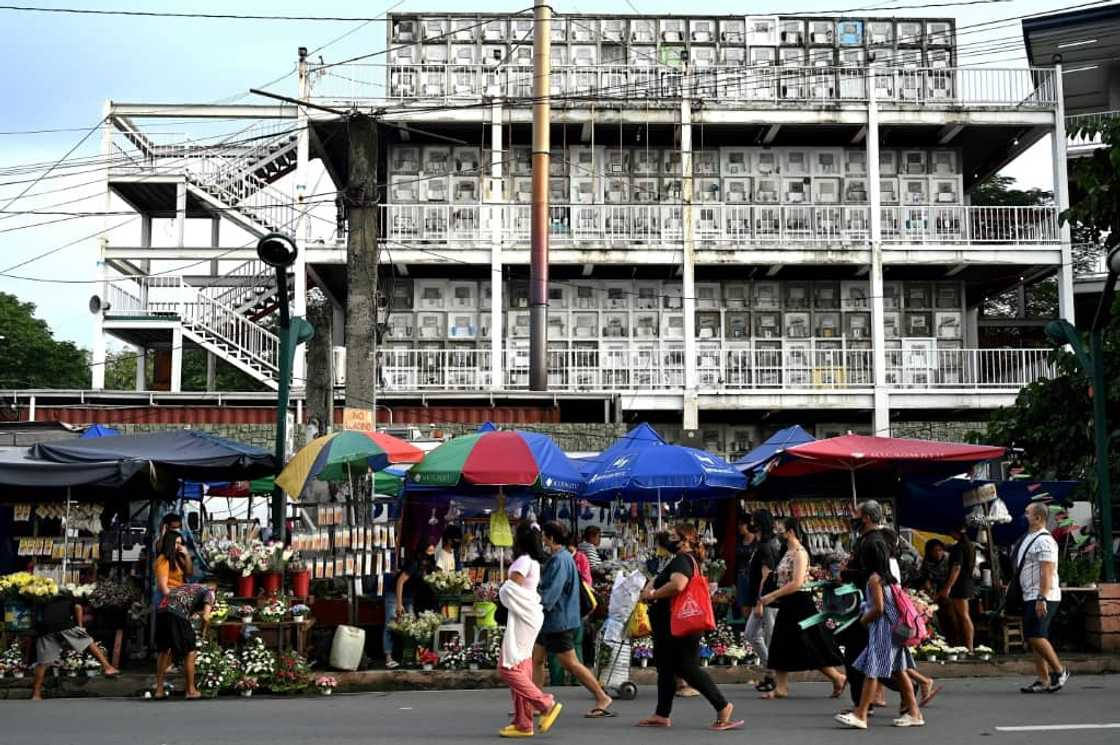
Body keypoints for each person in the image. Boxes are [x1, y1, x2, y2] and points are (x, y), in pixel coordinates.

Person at [636, 521, 741, 731]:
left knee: (687, 668)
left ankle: (723, 706)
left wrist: (653, 594)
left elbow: (678, 585)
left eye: (674, 536)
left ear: (684, 540)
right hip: (670, 625)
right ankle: (661, 714)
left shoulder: (683, 559)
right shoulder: (681, 559)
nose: (670, 539)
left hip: (677, 624)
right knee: (666, 668)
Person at [835, 542, 924, 729]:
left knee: (872, 671)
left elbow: (878, 608)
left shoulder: (874, 579)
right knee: (899, 671)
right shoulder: (888, 578)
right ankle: (914, 712)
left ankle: (861, 714)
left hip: (883, 630)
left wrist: (863, 620)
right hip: (897, 630)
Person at [533, 521, 614, 718]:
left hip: (558, 620)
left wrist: (535, 601)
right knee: (537, 659)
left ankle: (601, 696)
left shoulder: (560, 560)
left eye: (545, 536)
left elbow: (552, 593)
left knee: (571, 663)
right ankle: (535, 701)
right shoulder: (562, 557)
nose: (543, 540)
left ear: (551, 538)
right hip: (552, 620)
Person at [759, 516, 846, 700]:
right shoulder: (787, 551)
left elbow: (797, 583)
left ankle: (837, 677)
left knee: (811, 644)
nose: (778, 534)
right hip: (788, 603)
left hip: (800, 603)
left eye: (781, 531)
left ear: (790, 532)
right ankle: (781, 687)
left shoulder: (799, 552)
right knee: (780, 643)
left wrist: (772, 596)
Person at [498, 523, 563, 738]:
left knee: (508, 667)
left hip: (524, 617)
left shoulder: (523, 561)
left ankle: (544, 703)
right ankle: (523, 721)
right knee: (521, 665)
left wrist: (501, 590)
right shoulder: (532, 561)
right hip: (528, 616)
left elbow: (512, 590)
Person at [838, 500, 891, 709]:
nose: (853, 517)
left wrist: (847, 573)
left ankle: (908, 694)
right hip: (861, 604)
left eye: (856, 514)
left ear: (866, 518)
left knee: (862, 658)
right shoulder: (865, 540)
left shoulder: (874, 542)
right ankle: (862, 703)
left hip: (870, 607)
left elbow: (878, 575)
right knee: (864, 658)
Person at [1015, 502, 1068, 694]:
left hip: (1043, 595)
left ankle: (1059, 671)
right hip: (1030, 594)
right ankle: (1043, 678)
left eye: (1027, 513)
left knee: (1037, 635)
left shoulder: (1044, 541)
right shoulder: (1030, 538)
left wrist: (1041, 598)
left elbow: (1047, 572)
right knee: (1032, 637)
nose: (1024, 515)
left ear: (1038, 518)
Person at [31, 594, 119, 700]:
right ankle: (107, 667)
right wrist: (80, 626)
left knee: (43, 662)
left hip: (45, 629)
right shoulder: (68, 596)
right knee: (88, 641)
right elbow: (78, 607)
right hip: (64, 624)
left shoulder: (41, 597)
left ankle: (36, 694)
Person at [153, 581, 215, 699]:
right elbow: (206, 617)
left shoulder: (188, 587)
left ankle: (159, 690)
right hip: (177, 613)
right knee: (190, 651)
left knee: (164, 650)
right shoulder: (210, 591)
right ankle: (191, 690)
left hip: (161, 611)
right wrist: (204, 632)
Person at [384, 542, 438, 669]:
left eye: (432, 551)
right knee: (391, 624)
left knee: (412, 625)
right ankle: (388, 657)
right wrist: (398, 604)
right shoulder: (414, 563)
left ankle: (414, 655)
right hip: (395, 594)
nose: (430, 552)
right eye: (428, 551)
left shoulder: (429, 565)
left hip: (409, 597)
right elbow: (400, 581)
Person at [744, 509, 780, 693]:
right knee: (752, 634)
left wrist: (759, 602)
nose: (750, 523)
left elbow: (766, 576)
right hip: (764, 599)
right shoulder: (762, 544)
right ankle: (771, 671)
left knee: (767, 636)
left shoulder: (766, 546)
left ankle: (773, 673)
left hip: (767, 600)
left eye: (752, 520)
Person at [939, 524, 975, 652]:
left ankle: (969, 648)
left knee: (964, 616)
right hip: (966, 584)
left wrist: (948, 587)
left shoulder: (958, 548)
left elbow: (956, 568)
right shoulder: (969, 546)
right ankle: (964, 646)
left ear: (956, 533)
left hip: (960, 586)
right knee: (961, 616)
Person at [154, 530, 191, 597]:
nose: (179, 546)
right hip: (168, 597)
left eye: (180, 543)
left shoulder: (177, 557)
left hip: (179, 591)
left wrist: (187, 555)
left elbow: (189, 573)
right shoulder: (163, 560)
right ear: (170, 543)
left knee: (208, 589)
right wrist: (181, 599)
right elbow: (164, 589)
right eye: (177, 543)